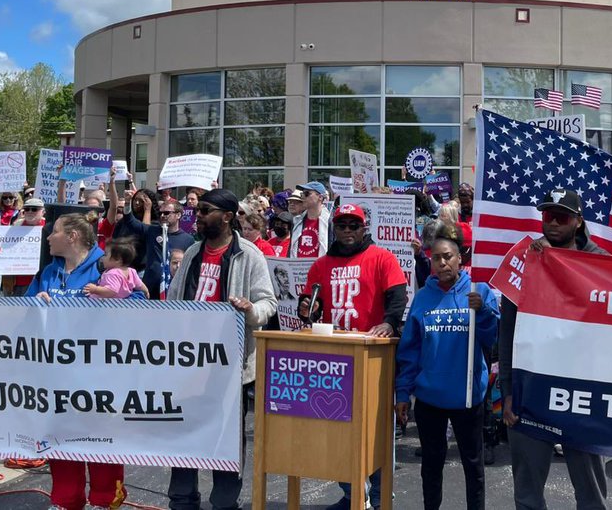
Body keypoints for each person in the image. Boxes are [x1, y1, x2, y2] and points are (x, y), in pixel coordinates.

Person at [167, 189, 277, 510]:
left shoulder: (249, 255)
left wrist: (249, 310)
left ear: (227, 217)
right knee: (185, 437)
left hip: (230, 367)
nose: (198, 216)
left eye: (205, 210)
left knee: (226, 442)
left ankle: (225, 503)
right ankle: (182, 500)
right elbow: (174, 301)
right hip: (189, 366)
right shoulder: (192, 254)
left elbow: (268, 303)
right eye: (199, 210)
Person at [500, 188, 609, 510]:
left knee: (591, 494)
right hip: (531, 388)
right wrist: (507, 389)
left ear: (578, 221)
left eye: (561, 217)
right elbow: (508, 331)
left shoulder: (601, 263)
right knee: (528, 494)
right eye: (548, 216)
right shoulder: (523, 259)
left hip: (583, 391)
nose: (552, 224)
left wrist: (556, 262)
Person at [299, 202, 407, 510]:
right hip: (335, 360)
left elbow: (397, 298)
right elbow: (309, 302)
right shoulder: (321, 264)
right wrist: (307, 308)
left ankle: (378, 497)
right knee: (338, 431)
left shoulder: (382, 257)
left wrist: (388, 322)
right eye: (342, 226)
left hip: (373, 358)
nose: (347, 231)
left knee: (376, 432)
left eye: (353, 225)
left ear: (364, 228)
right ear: (334, 228)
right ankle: (352, 495)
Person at [24, 213, 124, 510]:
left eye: (53, 232)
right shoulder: (49, 271)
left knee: (100, 438)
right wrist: (34, 303)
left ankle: (105, 501)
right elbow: (24, 311)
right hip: (55, 374)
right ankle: (66, 500)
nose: (47, 237)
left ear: (72, 237)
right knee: (60, 438)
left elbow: (135, 308)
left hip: (98, 374)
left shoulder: (106, 267)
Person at [396, 229, 499, 510]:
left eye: (447, 257)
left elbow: (492, 340)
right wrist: (403, 393)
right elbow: (410, 350)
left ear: (460, 259)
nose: (442, 263)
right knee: (431, 465)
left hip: (468, 398)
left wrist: (485, 313)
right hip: (430, 399)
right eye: (436, 258)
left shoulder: (479, 291)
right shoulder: (422, 298)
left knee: (473, 466)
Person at [84, 239, 148, 299]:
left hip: (106, 304)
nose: (103, 258)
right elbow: (140, 285)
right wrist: (146, 291)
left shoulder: (112, 274)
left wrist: (95, 289)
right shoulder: (131, 271)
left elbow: (111, 291)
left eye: (106, 255)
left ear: (117, 260)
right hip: (120, 303)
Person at [290, 181, 331, 258]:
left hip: (320, 267)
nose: (302, 197)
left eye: (307, 194)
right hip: (297, 268)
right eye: (302, 194)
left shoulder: (330, 222)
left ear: (320, 197)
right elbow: (291, 249)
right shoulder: (296, 221)